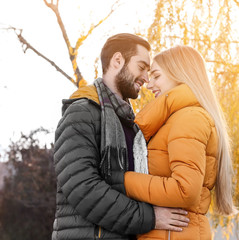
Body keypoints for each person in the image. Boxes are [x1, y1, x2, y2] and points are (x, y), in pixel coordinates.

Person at [52, 34, 189, 240]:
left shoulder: (132, 124)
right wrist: (150, 217)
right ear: (118, 60)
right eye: (141, 67)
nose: (146, 77)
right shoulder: (82, 113)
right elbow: (84, 189)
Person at [121, 45, 237, 239]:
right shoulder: (176, 119)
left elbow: (185, 190)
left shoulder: (189, 117)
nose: (149, 85)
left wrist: (123, 180)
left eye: (156, 76)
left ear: (179, 74)